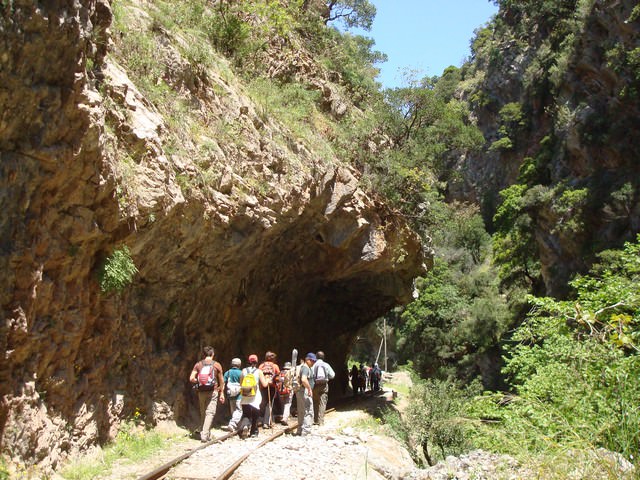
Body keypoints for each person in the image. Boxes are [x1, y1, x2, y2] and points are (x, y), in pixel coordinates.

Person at [189, 346, 225, 442]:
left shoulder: (198, 364)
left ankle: (203, 432)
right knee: (210, 412)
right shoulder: (217, 365)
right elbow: (222, 381)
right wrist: (222, 393)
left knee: (203, 412)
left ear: (203, 355)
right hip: (213, 391)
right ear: (213, 354)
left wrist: (200, 380)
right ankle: (204, 435)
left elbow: (191, 378)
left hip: (201, 391)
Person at [238, 354, 268, 439]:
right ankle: (254, 432)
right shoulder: (259, 372)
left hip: (245, 396)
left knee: (246, 414)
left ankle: (245, 426)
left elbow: (241, 384)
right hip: (255, 397)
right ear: (257, 362)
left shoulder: (243, 371)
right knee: (255, 415)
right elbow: (264, 385)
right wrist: (268, 380)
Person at [258, 351, 281, 429]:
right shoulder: (275, 366)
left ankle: (260, 419)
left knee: (263, 403)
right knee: (269, 404)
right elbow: (278, 377)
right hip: (272, 387)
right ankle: (266, 422)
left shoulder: (261, 366)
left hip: (263, 386)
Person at [312, 350, 335, 426]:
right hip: (324, 386)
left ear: (316, 357)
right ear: (323, 357)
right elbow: (332, 375)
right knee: (322, 403)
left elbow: (311, 375)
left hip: (315, 386)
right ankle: (321, 421)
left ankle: (315, 420)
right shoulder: (326, 365)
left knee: (315, 402)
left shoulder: (313, 365)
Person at [296, 353, 315, 436]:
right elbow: (303, 379)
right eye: (312, 360)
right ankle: (306, 430)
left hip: (300, 391)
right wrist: (309, 388)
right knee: (308, 410)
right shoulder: (306, 368)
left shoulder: (303, 367)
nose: (313, 362)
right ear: (307, 360)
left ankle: (300, 430)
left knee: (301, 411)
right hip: (305, 391)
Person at [223, 357, 243, 431]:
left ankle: (236, 425)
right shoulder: (241, 373)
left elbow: (223, 383)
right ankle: (232, 424)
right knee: (239, 410)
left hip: (230, 394)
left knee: (233, 410)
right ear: (239, 365)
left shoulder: (227, 372)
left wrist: (222, 393)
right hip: (239, 394)